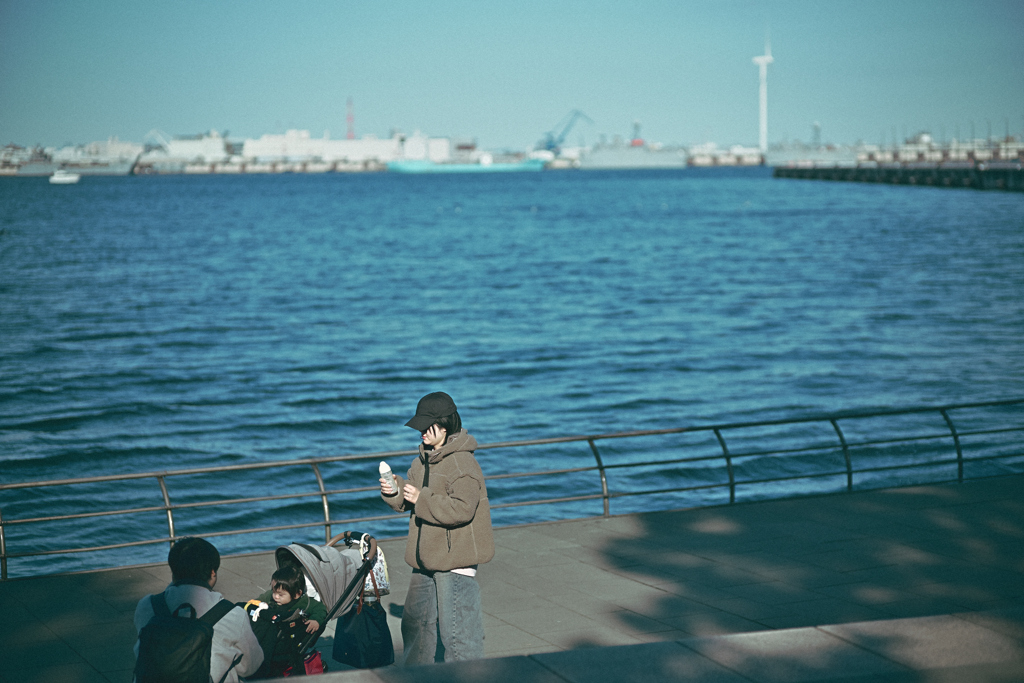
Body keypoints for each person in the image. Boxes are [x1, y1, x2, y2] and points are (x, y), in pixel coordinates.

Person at [380, 391, 494, 664]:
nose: (420, 431)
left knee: (459, 636)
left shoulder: (462, 463)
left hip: (455, 560)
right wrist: (394, 491)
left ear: (444, 425)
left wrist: (422, 498)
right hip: (426, 559)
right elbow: (410, 500)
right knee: (415, 627)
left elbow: (462, 509)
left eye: (425, 425)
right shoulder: (422, 460)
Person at [133, 537, 263, 683]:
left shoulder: (148, 605)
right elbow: (250, 666)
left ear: (173, 570)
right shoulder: (232, 614)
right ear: (213, 572)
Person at [244, 564, 328, 677]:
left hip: (287, 637)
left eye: (280, 594)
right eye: (274, 592)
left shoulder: (305, 602)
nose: (275, 597)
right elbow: (257, 601)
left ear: (297, 594)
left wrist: (316, 620)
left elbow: (320, 608)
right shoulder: (270, 596)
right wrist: (255, 604)